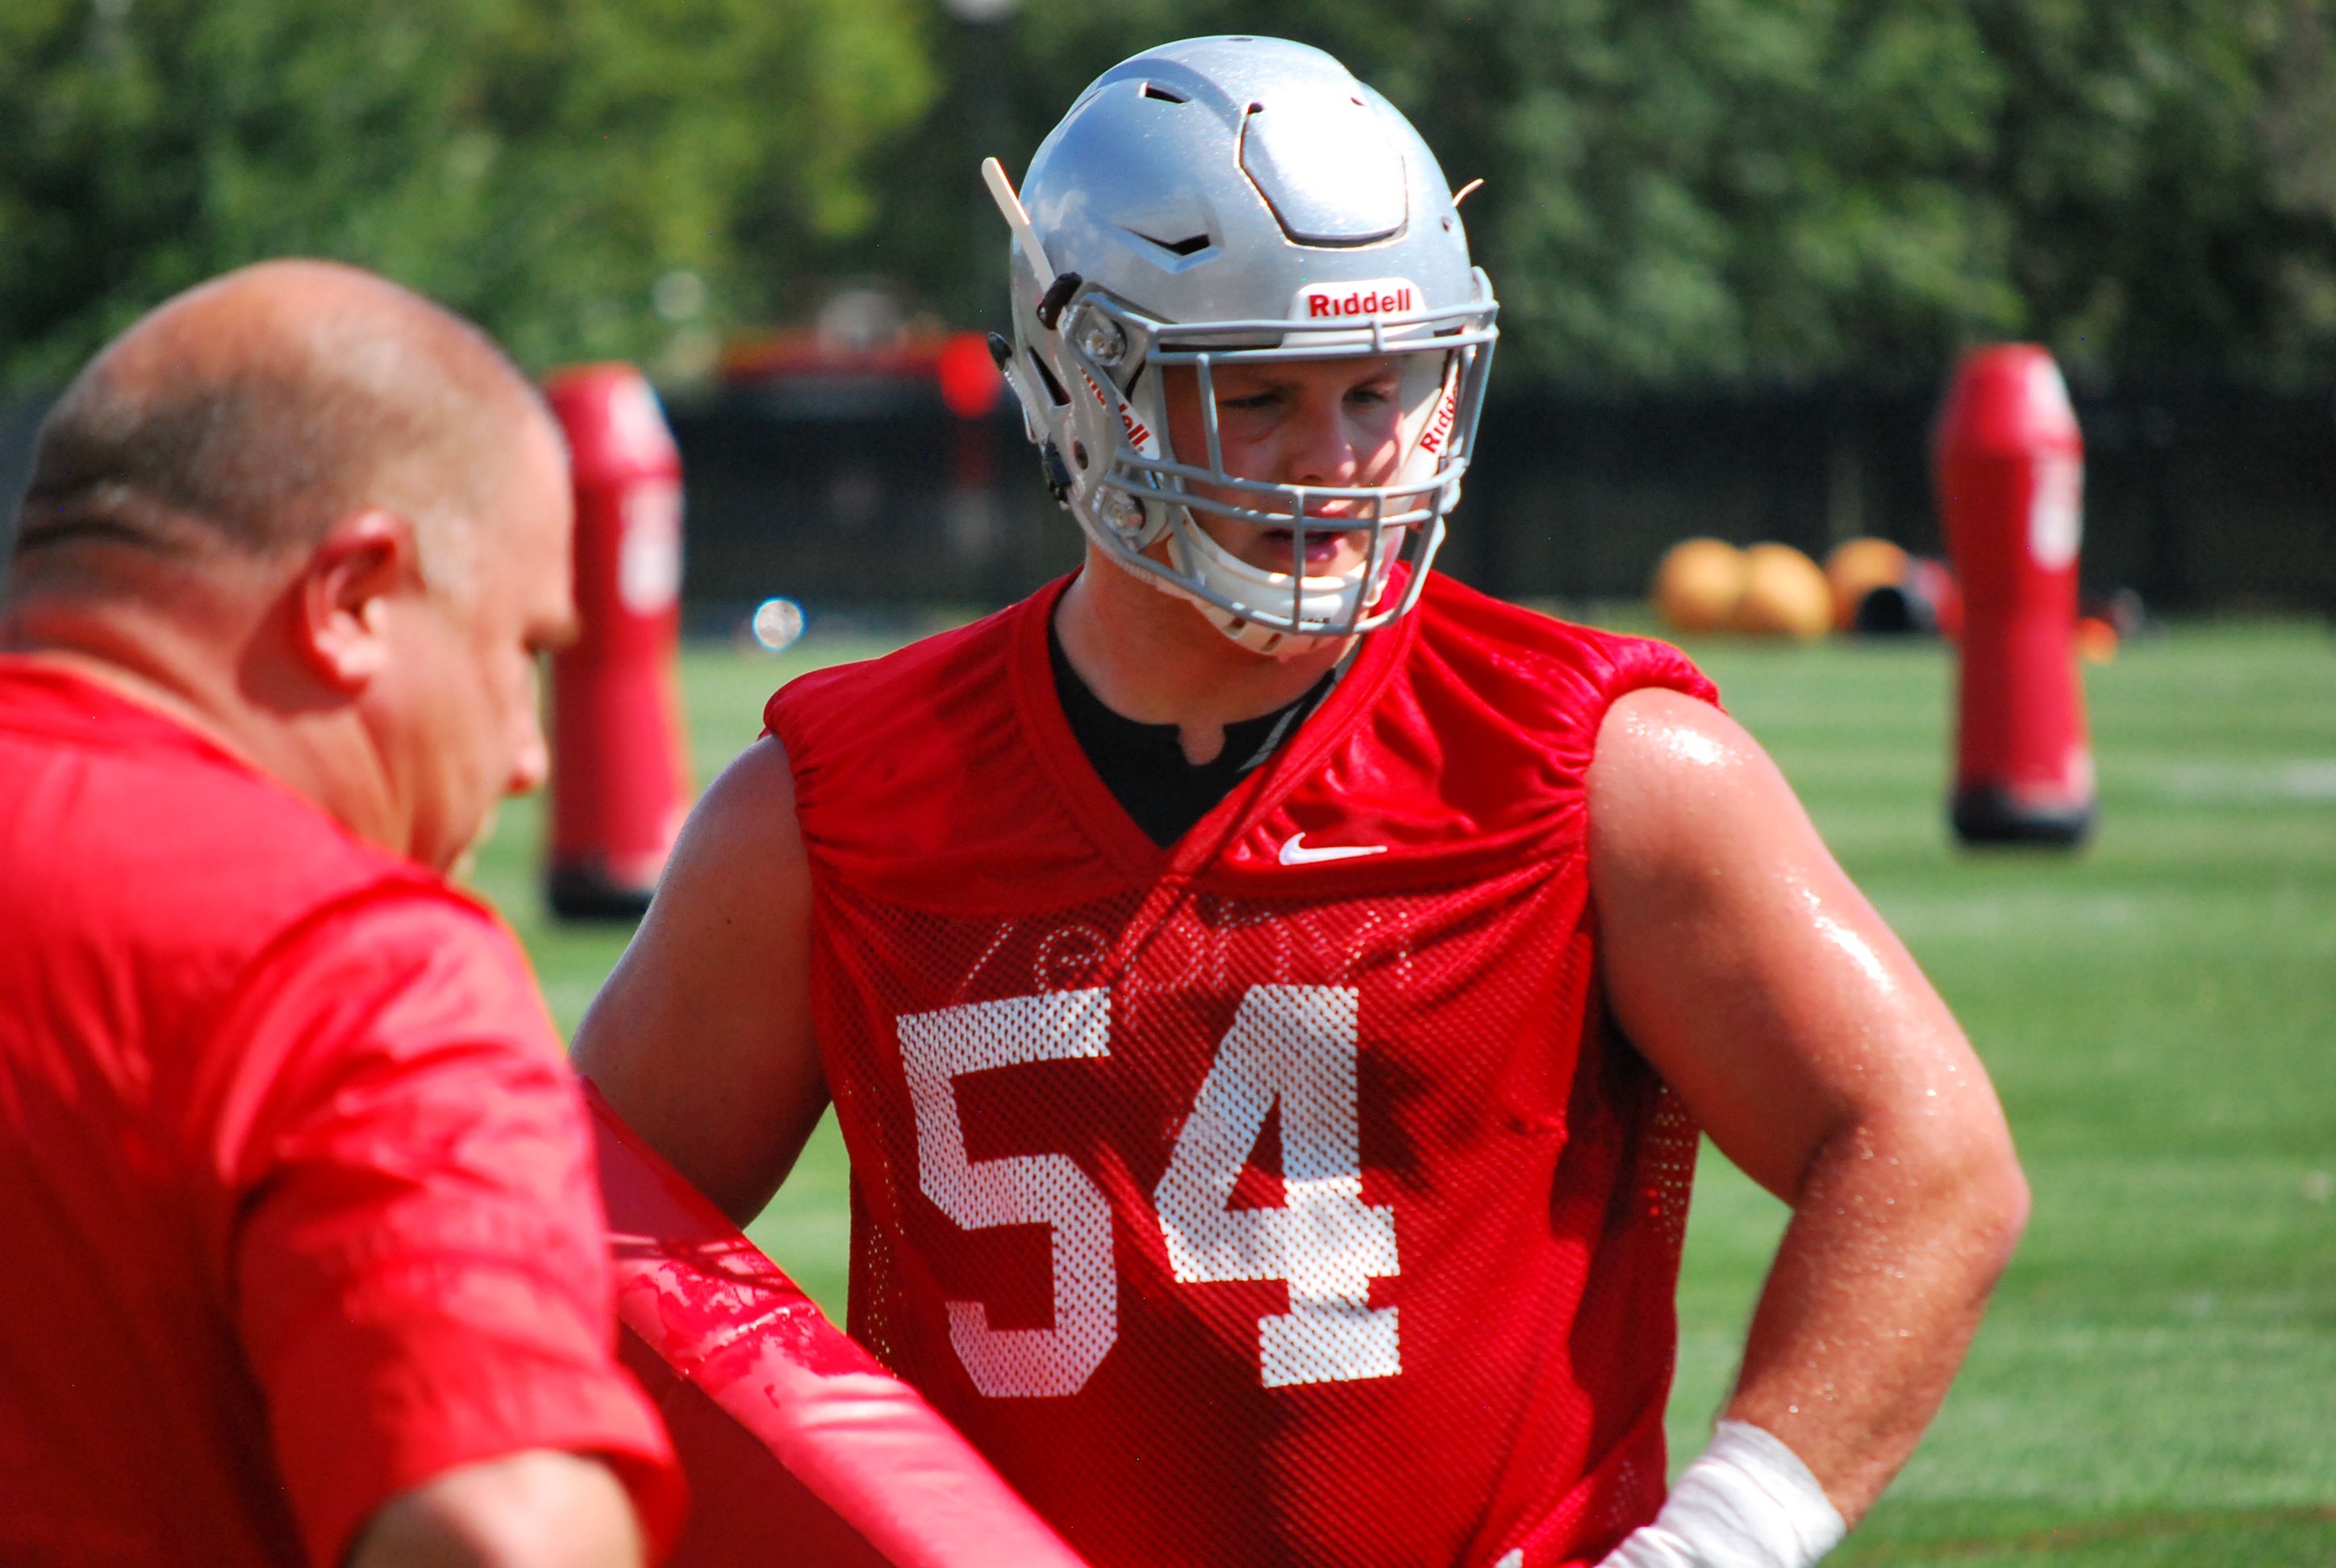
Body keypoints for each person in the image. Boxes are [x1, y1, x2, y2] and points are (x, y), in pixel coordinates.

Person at [578, 36, 2027, 1568]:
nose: (1340, 465)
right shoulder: (835, 807)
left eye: (1382, 387)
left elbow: (1924, 1156)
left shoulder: (1595, 764)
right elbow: (580, 1230)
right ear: (1085, 393)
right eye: (1258, 395)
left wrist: (1712, 1547)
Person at [0, 261, 682, 1567]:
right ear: (356, 597)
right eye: (523, 650)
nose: (527, 757)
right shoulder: (350, 962)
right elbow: (497, 1535)